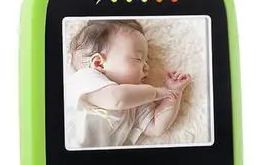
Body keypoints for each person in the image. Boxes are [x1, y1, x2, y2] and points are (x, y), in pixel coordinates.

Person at [64, 19, 191, 149]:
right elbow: (118, 99)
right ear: (99, 63)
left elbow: (156, 127)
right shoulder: (86, 78)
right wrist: (155, 92)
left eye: (146, 61)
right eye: (138, 59)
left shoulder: (136, 99)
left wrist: (173, 93)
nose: (146, 67)